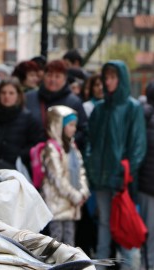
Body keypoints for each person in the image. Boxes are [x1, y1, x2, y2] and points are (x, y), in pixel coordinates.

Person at [86, 60, 147, 270]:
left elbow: (138, 146)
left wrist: (124, 170)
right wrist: (91, 167)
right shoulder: (100, 109)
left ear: (121, 80)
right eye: (106, 77)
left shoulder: (133, 108)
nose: (108, 82)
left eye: (113, 78)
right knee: (103, 226)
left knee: (123, 227)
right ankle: (101, 267)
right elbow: (90, 141)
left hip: (122, 181)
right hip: (101, 179)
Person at [41, 105, 90, 245]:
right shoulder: (51, 148)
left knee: (69, 242)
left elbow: (81, 170)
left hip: (71, 204)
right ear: (59, 126)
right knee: (57, 243)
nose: (74, 129)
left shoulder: (72, 146)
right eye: (70, 125)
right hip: (57, 205)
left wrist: (83, 191)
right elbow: (57, 178)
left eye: (75, 125)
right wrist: (75, 195)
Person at [0, 77, 43, 171]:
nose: (6, 96)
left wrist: (18, 156)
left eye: (11, 93)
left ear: (18, 95)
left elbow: (35, 146)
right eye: (3, 92)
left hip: (17, 170)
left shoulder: (29, 119)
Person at [25, 59, 88, 152]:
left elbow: (83, 131)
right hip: (32, 154)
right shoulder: (29, 98)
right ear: (43, 76)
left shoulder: (74, 102)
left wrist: (65, 142)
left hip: (61, 156)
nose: (52, 80)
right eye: (49, 75)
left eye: (57, 76)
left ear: (64, 79)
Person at [138, 81, 154, 270]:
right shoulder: (147, 117)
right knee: (149, 234)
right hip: (149, 185)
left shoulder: (143, 115)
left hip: (145, 185)